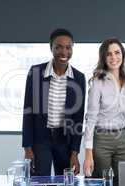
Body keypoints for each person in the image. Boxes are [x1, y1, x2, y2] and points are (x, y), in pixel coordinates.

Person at [22, 28, 86, 176]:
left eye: (68, 47)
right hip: (41, 139)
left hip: (65, 140)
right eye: (58, 47)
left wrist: (75, 152)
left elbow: (78, 118)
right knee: (38, 185)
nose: (64, 52)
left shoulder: (78, 77)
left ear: (72, 48)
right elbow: (28, 111)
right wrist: (28, 148)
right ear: (51, 48)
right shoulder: (36, 72)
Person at [83, 38, 125, 178]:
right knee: (101, 183)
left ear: (122, 54)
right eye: (109, 54)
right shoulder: (97, 82)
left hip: (122, 138)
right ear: (104, 57)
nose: (114, 57)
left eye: (117, 52)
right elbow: (91, 118)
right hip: (101, 139)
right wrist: (88, 153)